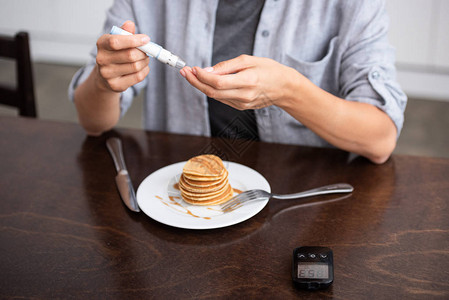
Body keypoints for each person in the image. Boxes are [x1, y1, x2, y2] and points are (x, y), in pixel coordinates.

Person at [69, 0, 407, 164]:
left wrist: (289, 91)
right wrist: (103, 82)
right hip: (178, 198)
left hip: (296, 203)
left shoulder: (351, 6)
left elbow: (380, 140)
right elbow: (92, 121)